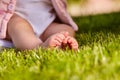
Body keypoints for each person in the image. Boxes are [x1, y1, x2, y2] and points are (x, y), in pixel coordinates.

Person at [0, 0, 78, 51]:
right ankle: (38, 47)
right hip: (16, 16)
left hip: (45, 21)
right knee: (19, 28)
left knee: (66, 29)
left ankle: (61, 44)